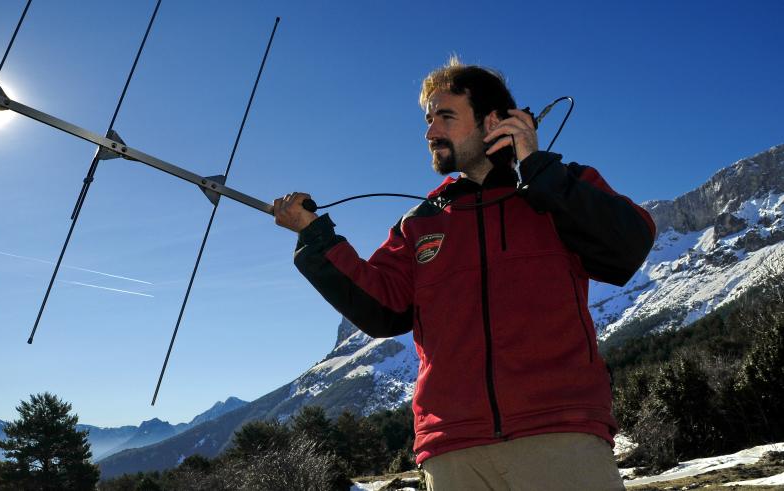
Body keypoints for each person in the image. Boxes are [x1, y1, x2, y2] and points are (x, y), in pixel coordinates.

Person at [273, 58, 655, 490]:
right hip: (453, 450)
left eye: (446, 116)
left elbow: (627, 247)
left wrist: (537, 169)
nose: (430, 131)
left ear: (494, 121)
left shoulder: (562, 187)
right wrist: (315, 237)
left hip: (560, 436)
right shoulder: (419, 222)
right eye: (428, 118)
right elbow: (382, 309)